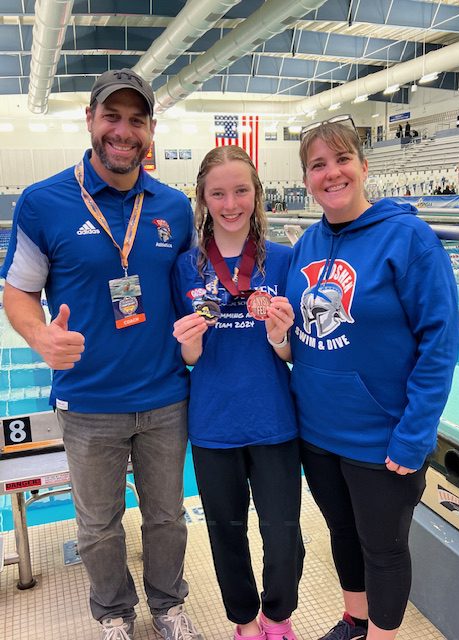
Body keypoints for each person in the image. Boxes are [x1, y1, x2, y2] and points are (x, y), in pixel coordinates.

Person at [1, 68, 203, 640]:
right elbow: (18, 290)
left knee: (168, 517)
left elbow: (193, 287)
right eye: (111, 117)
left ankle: (167, 605)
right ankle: (113, 613)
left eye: (135, 120)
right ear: (90, 121)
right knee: (96, 525)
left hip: (166, 396)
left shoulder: (174, 207)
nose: (123, 131)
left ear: (150, 131)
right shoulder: (44, 202)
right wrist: (39, 336)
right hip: (88, 401)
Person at [285, 117, 459, 640]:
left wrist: (413, 437)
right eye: (318, 164)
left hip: (381, 436)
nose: (331, 173)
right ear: (307, 178)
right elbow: (303, 337)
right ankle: (354, 622)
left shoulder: (410, 240)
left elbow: (440, 346)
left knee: (383, 549)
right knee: (343, 534)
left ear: (363, 166)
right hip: (317, 433)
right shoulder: (306, 244)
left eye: (342, 160)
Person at [172, 146, 304, 640]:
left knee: (283, 532)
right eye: (218, 193)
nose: (231, 203)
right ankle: (245, 622)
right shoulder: (186, 266)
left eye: (241, 190)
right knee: (226, 533)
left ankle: (278, 615)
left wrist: (278, 337)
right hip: (213, 423)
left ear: (257, 194)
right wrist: (191, 345)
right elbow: (187, 359)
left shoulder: (285, 260)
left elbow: (295, 353)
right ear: (204, 199)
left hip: (274, 419)